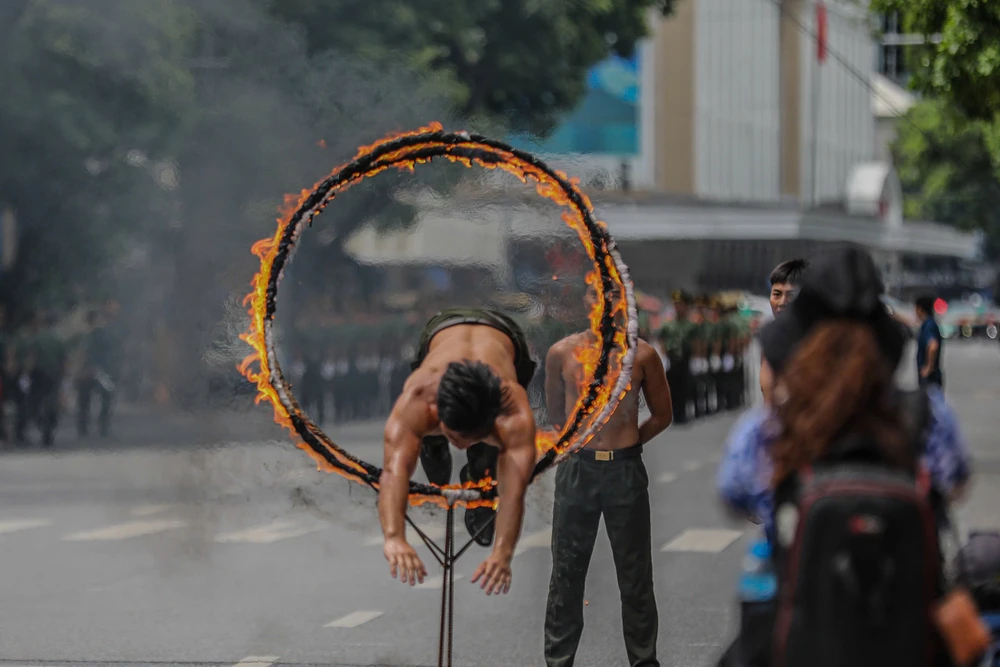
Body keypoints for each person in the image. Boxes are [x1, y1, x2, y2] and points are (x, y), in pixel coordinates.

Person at [718, 247, 971, 546]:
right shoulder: (929, 413)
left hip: (805, 585)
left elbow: (734, 490)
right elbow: (955, 482)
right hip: (904, 583)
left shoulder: (771, 423)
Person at [379, 308, 538, 596]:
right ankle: (437, 447)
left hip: (505, 335)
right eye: (454, 436)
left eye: (472, 438)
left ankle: (480, 464)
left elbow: (514, 493)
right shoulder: (417, 400)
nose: (461, 446)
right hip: (443, 327)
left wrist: (503, 553)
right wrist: (394, 537)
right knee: (436, 473)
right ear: (436, 412)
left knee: (489, 475)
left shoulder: (513, 412)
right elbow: (394, 472)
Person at [543, 329, 673, 667]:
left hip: (625, 473)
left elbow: (662, 415)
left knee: (636, 578)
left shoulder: (642, 355)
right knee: (566, 575)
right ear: (589, 298)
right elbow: (556, 415)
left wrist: (628, 446)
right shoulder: (562, 351)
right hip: (577, 471)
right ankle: (558, 662)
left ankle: (644, 662)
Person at [760, 259, 809, 403]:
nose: (782, 302)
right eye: (776, 294)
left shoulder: (815, 338)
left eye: (790, 295)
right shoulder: (770, 337)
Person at [915, 294, 945, 389]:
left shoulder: (929, 325)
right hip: (930, 378)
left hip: (930, 378)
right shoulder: (929, 323)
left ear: (920, 309)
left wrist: (929, 367)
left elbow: (933, 345)